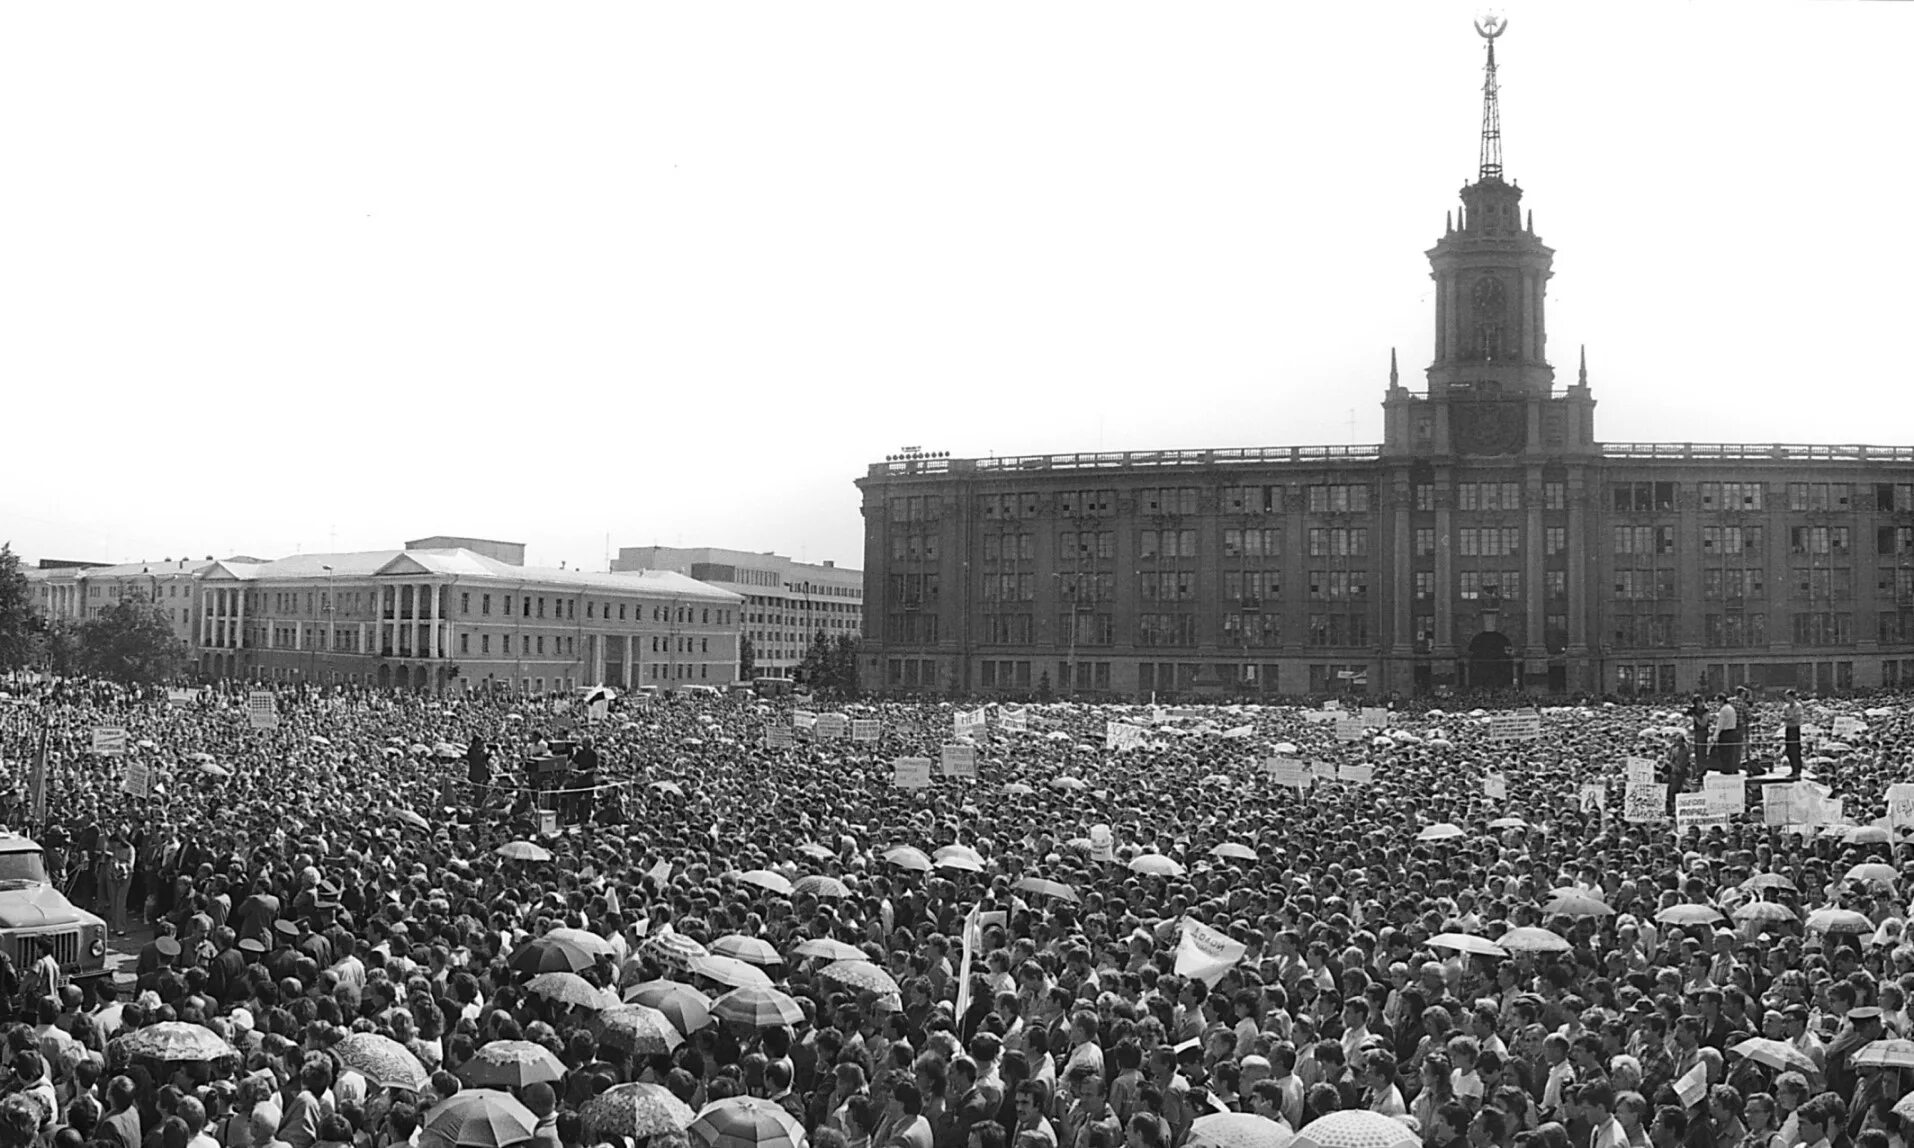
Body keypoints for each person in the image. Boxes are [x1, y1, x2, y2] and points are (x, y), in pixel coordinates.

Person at [1781, 691, 1804, 778]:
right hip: (1788, 728)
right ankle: (1793, 769)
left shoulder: (1798, 706)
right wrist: (1788, 718)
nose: (1787, 699)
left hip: (1795, 729)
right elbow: (1783, 717)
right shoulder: (1786, 707)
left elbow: (1796, 719)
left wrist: (1788, 718)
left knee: (1795, 750)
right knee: (1789, 750)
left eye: (1788, 697)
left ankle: (1797, 770)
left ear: (1792, 697)